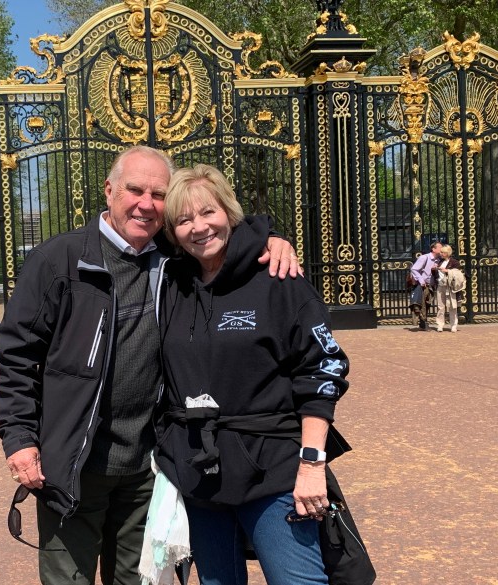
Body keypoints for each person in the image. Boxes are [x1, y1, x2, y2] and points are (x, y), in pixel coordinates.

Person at [0, 146, 301, 585]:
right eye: (135, 190)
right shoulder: (59, 260)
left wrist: (270, 241)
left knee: (141, 581)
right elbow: (18, 357)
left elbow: (221, 238)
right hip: (73, 465)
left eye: (158, 194)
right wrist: (20, 438)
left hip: (148, 469)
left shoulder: (175, 261)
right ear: (110, 190)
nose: (146, 203)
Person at [154, 164, 351, 585]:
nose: (199, 227)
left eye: (208, 212)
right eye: (184, 219)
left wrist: (312, 463)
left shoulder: (278, 276)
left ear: (229, 210)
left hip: (272, 466)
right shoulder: (172, 282)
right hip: (198, 470)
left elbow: (321, 370)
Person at [409, 240, 443, 330]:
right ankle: (423, 322)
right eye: (440, 247)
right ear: (433, 249)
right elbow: (414, 269)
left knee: (427, 304)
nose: (441, 249)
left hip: (432, 285)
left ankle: (422, 322)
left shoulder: (439, 260)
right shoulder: (424, 257)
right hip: (422, 285)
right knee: (421, 304)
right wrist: (421, 280)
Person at [433, 244, 462, 332]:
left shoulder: (454, 262)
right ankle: (440, 324)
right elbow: (436, 274)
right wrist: (434, 269)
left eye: (442, 252)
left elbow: (458, 273)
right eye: (441, 252)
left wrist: (447, 271)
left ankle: (453, 325)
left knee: (452, 306)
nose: (441, 254)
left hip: (450, 287)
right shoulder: (440, 261)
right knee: (440, 306)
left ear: (447, 253)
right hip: (441, 285)